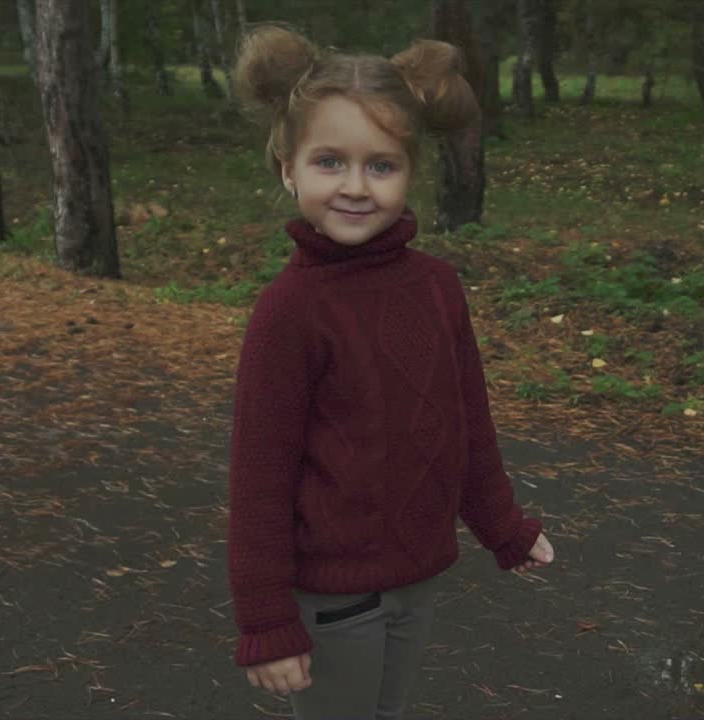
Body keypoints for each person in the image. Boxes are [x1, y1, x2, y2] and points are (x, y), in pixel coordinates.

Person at [225, 25, 555, 720]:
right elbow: (260, 478)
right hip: (333, 598)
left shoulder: (437, 286)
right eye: (328, 162)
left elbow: (465, 420)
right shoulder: (290, 313)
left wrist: (502, 526)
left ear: (410, 170)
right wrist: (265, 620)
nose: (354, 187)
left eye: (381, 165)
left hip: (418, 577)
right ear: (288, 167)